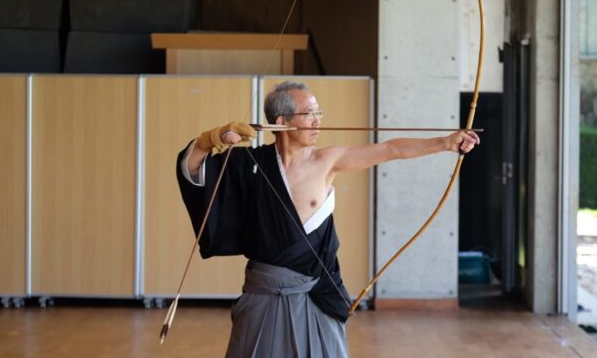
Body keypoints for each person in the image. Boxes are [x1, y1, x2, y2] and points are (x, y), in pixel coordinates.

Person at [176, 81, 480, 358]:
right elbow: (192, 169)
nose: (317, 121)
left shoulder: (327, 161)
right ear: (281, 122)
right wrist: (211, 139)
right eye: (309, 113)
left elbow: (390, 149)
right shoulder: (249, 163)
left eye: (318, 112)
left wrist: (446, 143)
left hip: (315, 294)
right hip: (264, 294)